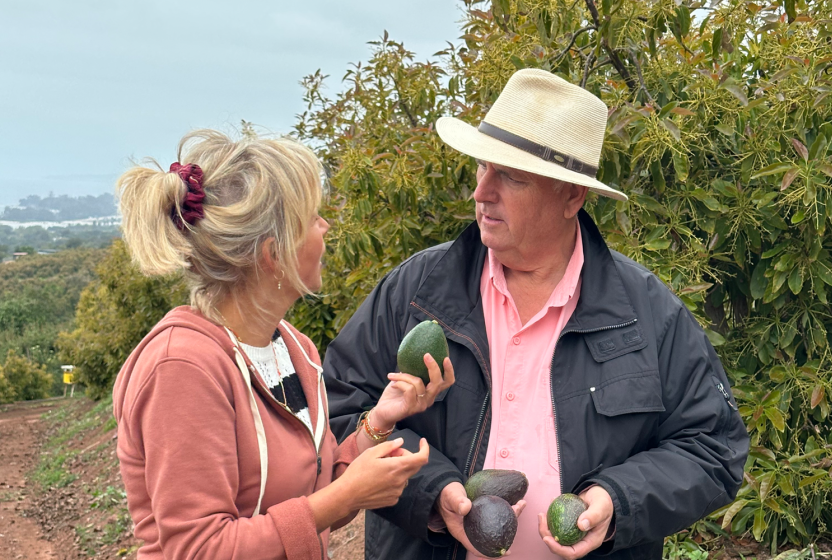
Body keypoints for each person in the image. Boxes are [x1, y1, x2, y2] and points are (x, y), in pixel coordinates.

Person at [323, 69, 749, 560]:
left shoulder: (648, 312)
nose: (482, 192)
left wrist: (616, 500)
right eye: (483, 167)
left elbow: (712, 448)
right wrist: (434, 492)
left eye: (511, 176)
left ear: (572, 196)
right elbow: (341, 412)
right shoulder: (416, 291)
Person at [111, 129, 455, 560]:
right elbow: (199, 549)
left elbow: (315, 494)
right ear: (274, 253)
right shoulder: (183, 368)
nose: (325, 226)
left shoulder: (293, 349)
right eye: (312, 217)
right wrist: (347, 496)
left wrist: (381, 419)